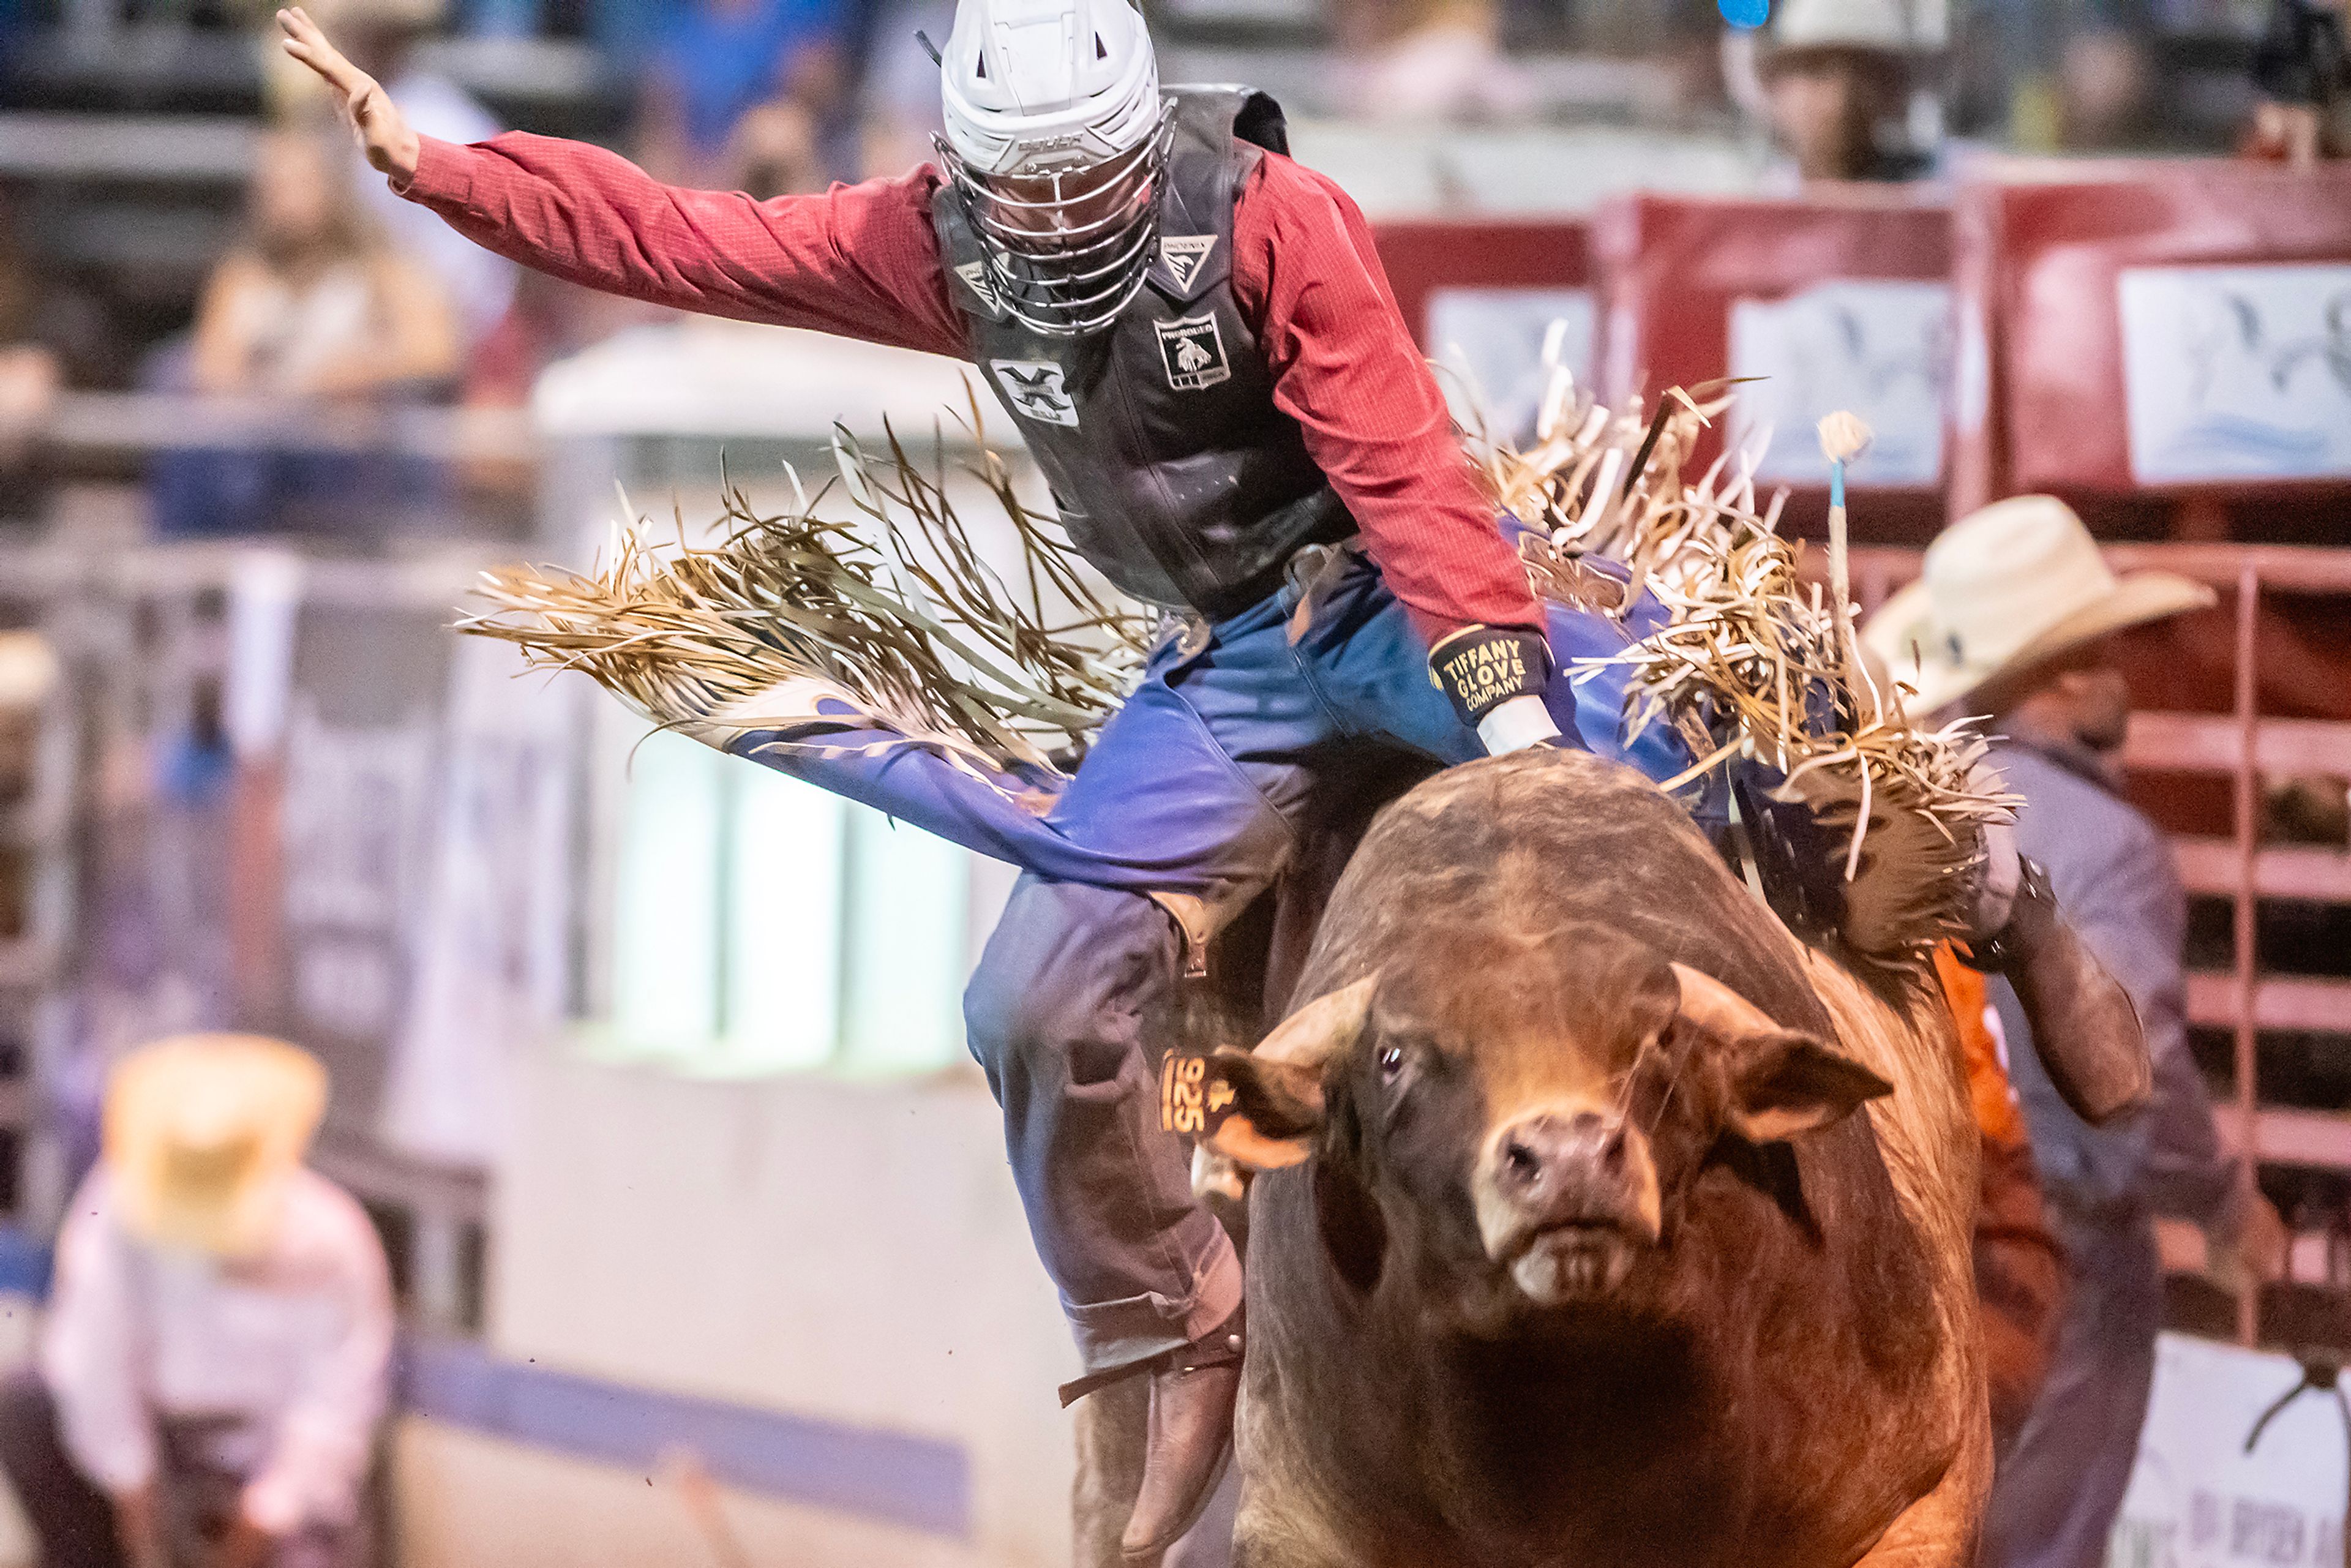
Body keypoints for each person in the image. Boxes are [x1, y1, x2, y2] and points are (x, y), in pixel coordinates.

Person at [277, 1, 2148, 1553]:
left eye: (1091, 179)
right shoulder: (933, 240)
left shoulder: (1269, 215)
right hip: (1231, 664)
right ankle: (1155, 1328)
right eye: (1032, 189)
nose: (1067, 219)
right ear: (978, 172)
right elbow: (692, 240)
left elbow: (1400, 462)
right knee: (1028, 995)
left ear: (1137, 134)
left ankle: (2009, 896)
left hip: (1401, 590)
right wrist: (450, 174)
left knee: (1768, 736)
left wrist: (1509, 715)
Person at [1863, 496, 2290, 1568]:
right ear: (2059, 675)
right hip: (2060, 1235)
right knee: (2042, 1529)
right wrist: (2226, 1201)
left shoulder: (1900, 810)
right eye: (2100, 652)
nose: (2120, 676)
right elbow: (2132, 1070)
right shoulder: (2109, 845)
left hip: (1912, 1215)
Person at [0, 1034, 394, 1568]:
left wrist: (266, 1515)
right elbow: (93, 1365)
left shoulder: (332, 1241)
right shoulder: (114, 1210)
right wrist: (134, 1490)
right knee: (27, 1407)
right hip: (153, 1448)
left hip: (265, 1466)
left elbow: (337, 1403)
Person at [154, 129, 457, 536]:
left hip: (352, 453)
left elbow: (436, 351)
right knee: (173, 381)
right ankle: (189, 557)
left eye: (297, 183)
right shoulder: (244, 274)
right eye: (272, 185)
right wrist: (273, 393)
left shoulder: (383, 270)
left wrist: (361, 370)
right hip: (262, 443)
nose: (282, 198)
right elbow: (214, 368)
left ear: (333, 187)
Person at [1739, 0, 1943, 182]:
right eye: (1817, 71)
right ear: (1777, 87)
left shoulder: (1929, 196)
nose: (1840, 97)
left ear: (1896, 93)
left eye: (1864, 73)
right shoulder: (1755, 195)